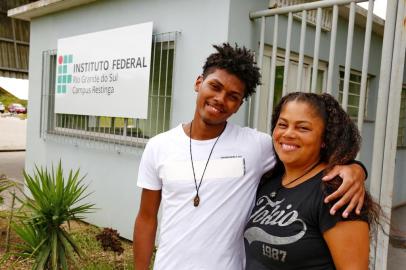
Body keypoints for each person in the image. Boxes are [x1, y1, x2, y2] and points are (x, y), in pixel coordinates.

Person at [133, 43, 367, 270]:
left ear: (239, 104)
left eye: (233, 96)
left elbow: (303, 155)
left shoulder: (257, 145)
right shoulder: (158, 146)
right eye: (214, 86)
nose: (220, 99)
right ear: (198, 83)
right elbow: (146, 219)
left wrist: (355, 168)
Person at [244, 92, 379, 269]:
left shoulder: (336, 192)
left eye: (303, 128)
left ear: (324, 139)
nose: (288, 134)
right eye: (283, 124)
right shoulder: (269, 179)